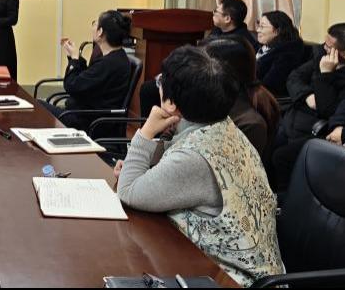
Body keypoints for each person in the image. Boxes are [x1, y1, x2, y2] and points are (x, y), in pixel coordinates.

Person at [115, 46, 284, 287]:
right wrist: (140, 166)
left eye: (161, 81)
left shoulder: (195, 156)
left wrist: (146, 132)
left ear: (171, 103)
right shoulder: (223, 127)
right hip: (236, 269)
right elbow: (174, 156)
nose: (158, 85)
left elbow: (128, 191)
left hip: (232, 279)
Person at [271, 22, 345, 191]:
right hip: (294, 112)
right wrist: (306, 95)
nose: (323, 47)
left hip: (314, 127)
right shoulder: (321, 54)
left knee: (280, 157)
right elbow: (294, 77)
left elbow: (328, 110)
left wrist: (325, 74)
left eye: (328, 46)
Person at [44, 10, 133, 131]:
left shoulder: (109, 63)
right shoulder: (115, 57)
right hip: (87, 115)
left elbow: (72, 86)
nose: (93, 26)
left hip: (89, 123)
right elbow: (87, 80)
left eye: (95, 24)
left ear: (100, 32)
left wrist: (74, 59)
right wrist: (75, 57)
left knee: (35, 106)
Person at [202, 38, 281, 158]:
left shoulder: (251, 124)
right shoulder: (215, 100)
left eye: (203, 66)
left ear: (223, 72)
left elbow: (217, 162)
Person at [255, 10, 307, 97]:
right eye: (258, 25)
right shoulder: (264, 45)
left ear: (277, 31)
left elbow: (270, 85)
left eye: (262, 27)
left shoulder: (287, 54)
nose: (257, 30)